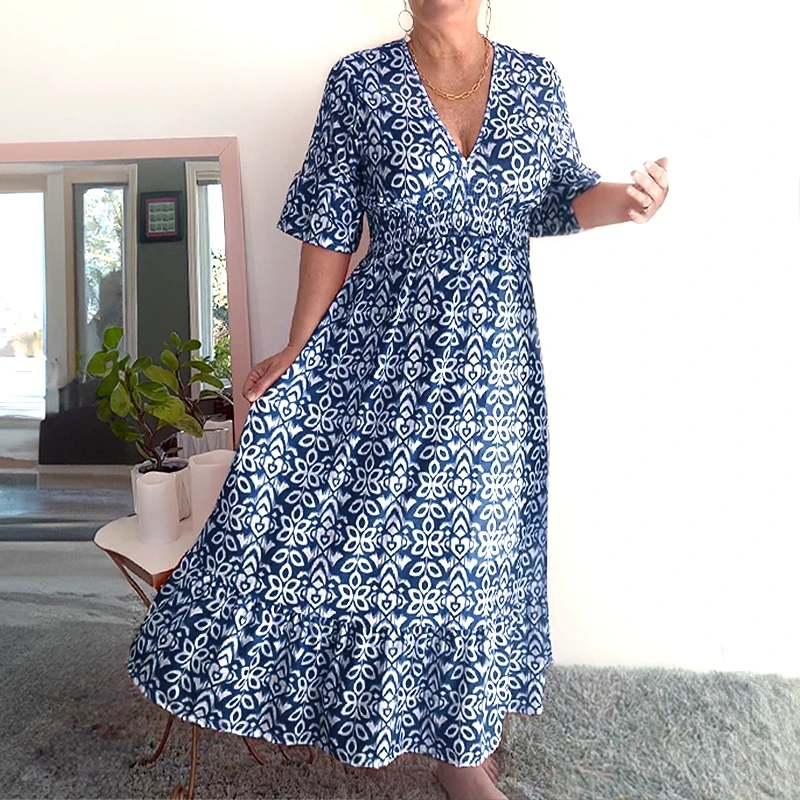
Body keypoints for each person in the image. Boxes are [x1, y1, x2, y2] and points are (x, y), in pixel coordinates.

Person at [126, 1, 669, 798]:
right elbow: (328, 225)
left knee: (473, 557)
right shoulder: (360, 83)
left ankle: (460, 745)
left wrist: (629, 201)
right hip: (380, 356)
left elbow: (562, 196)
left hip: (491, 367)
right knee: (366, 551)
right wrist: (297, 346)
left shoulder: (535, 82)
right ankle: (380, 723)